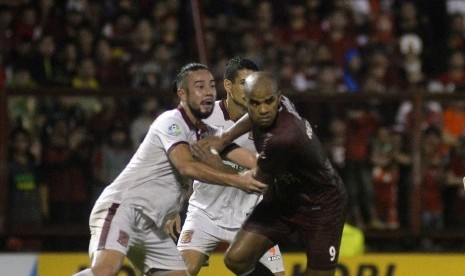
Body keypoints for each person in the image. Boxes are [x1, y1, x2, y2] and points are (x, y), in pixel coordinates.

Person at [73, 63, 267, 276]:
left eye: (211, 86)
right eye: (200, 86)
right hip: (123, 208)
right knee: (105, 270)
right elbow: (186, 166)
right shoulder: (171, 122)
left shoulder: (208, 133)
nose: (209, 92)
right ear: (182, 94)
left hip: (150, 224)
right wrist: (239, 180)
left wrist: (282, 163)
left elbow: (251, 159)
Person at [195, 72, 348, 276]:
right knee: (237, 260)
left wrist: (216, 159)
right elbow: (253, 117)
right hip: (285, 197)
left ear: (278, 97)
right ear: (246, 102)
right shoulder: (277, 103)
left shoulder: (282, 137)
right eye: (256, 104)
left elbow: (254, 183)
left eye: (268, 102)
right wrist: (224, 138)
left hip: (322, 205)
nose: (264, 110)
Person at [169, 57, 285, 275]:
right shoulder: (203, 115)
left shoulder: (269, 122)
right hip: (205, 211)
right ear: (228, 86)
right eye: (244, 83)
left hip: (252, 216)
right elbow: (179, 162)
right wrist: (172, 205)